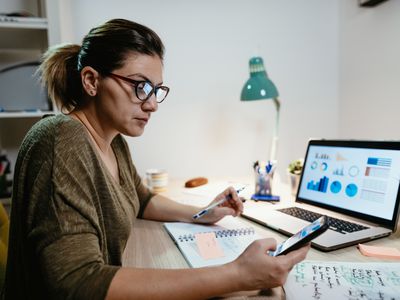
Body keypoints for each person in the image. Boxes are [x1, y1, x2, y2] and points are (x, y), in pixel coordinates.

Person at [4, 19, 309, 299]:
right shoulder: (60, 140)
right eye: (140, 87)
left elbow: (140, 198)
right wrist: (237, 274)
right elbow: (78, 282)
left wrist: (203, 213)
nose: (152, 105)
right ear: (91, 81)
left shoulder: (114, 141)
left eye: (156, 90)